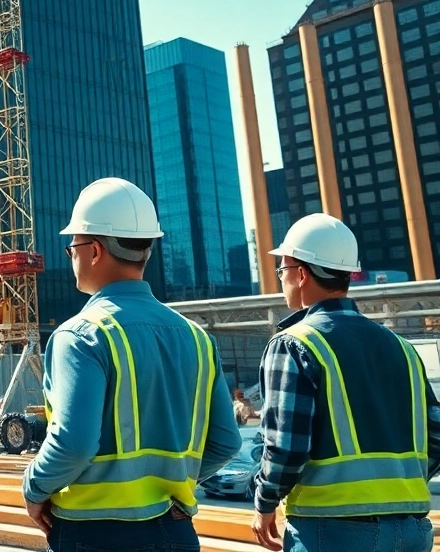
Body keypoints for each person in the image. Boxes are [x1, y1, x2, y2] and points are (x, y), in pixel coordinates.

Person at [22, 178, 242, 552]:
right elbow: (225, 442)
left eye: (71, 247)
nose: (71, 257)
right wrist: (173, 480)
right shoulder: (197, 337)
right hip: (176, 531)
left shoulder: (80, 335)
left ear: (93, 250)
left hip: (96, 533)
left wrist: (34, 488)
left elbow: (73, 444)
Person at [250, 214, 440, 552]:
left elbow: (286, 447)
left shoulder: (294, 343)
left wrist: (265, 502)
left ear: (301, 273)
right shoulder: (404, 348)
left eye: (282, 270)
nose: (282, 280)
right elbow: (437, 434)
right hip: (412, 529)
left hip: (333, 531)